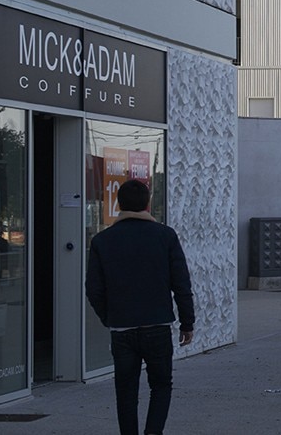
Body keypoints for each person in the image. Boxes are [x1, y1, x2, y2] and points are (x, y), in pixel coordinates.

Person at [86, 180, 195, 435]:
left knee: (125, 391)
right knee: (161, 385)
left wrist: (109, 316)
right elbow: (181, 283)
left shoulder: (102, 240)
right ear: (147, 204)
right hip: (157, 325)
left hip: (122, 329)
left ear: (118, 204)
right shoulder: (165, 236)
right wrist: (187, 323)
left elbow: (93, 289)